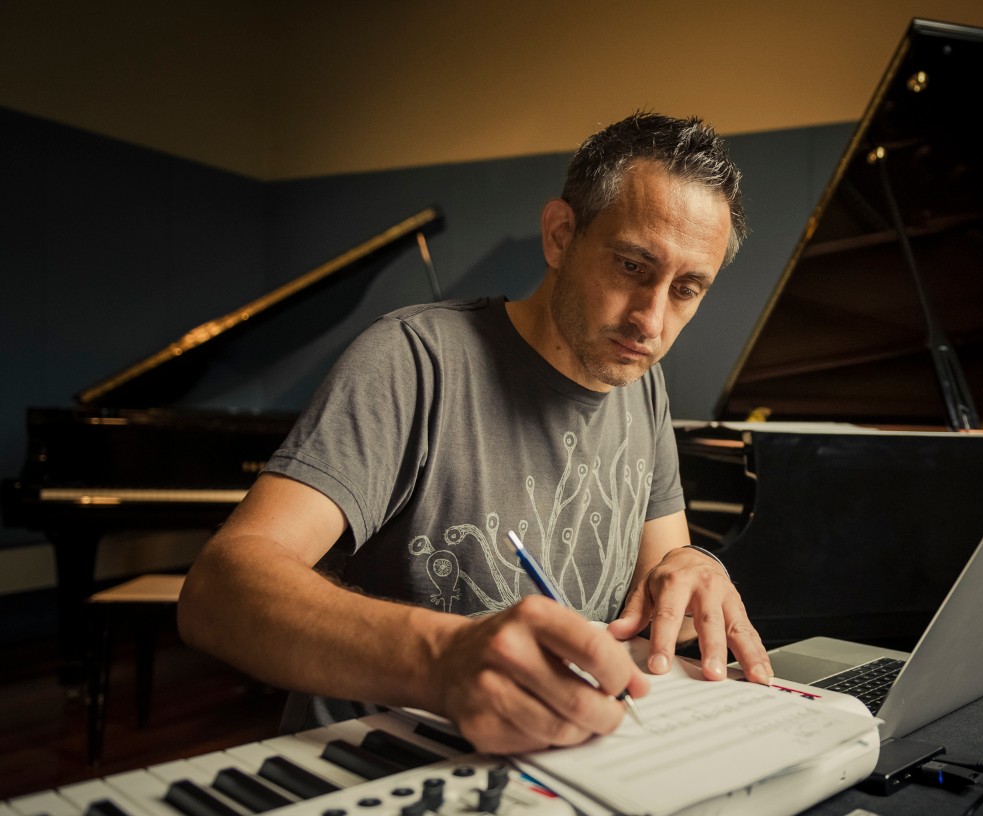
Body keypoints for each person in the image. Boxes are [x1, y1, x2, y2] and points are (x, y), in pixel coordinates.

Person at [177, 110, 773, 756]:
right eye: (632, 267)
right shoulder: (412, 361)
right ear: (559, 235)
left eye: (686, 289)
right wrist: (441, 658)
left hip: (553, 765)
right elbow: (218, 592)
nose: (651, 322)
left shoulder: (642, 384)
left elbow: (661, 587)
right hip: (368, 768)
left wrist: (692, 566)